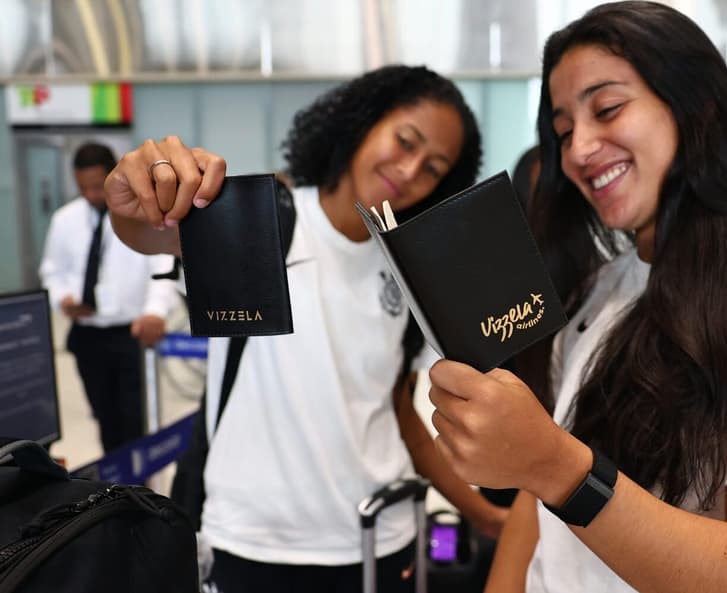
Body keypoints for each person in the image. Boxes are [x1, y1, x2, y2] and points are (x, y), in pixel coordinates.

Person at [425, 3, 727, 593]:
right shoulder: (600, 288)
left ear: (698, 105)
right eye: (563, 131)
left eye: (608, 108)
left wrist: (557, 466)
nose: (579, 150)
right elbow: (535, 513)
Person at [103, 65, 507, 593]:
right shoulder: (266, 218)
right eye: (404, 141)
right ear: (362, 122)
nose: (409, 171)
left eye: (433, 168)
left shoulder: (405, 265)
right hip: (254, 546)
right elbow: (151, 234)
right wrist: (131, 198)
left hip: (380, 540)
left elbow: (397, 410)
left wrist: (483, 514)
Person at [39, 142, 177, 453]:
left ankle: (137, 487)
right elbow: (52, 270)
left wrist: (155, 312)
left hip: (131, 334)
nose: (91, 195)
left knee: (134, 419)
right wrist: (62, 299)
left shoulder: (143, 214)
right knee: (104, 417)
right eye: (83, 187)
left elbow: (163, 267)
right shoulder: (65, 220)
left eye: (97, 186)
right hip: (87, 334)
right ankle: (112, 487)